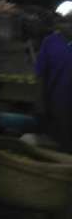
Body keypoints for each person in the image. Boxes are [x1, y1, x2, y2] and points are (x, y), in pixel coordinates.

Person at [35, 15, 72, 153]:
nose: (70, 26)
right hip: (57, 102)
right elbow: (41, 74)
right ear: (59, 25)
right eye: (66, 22)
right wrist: (40, 102)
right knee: (60, 141)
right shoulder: (50, 42)